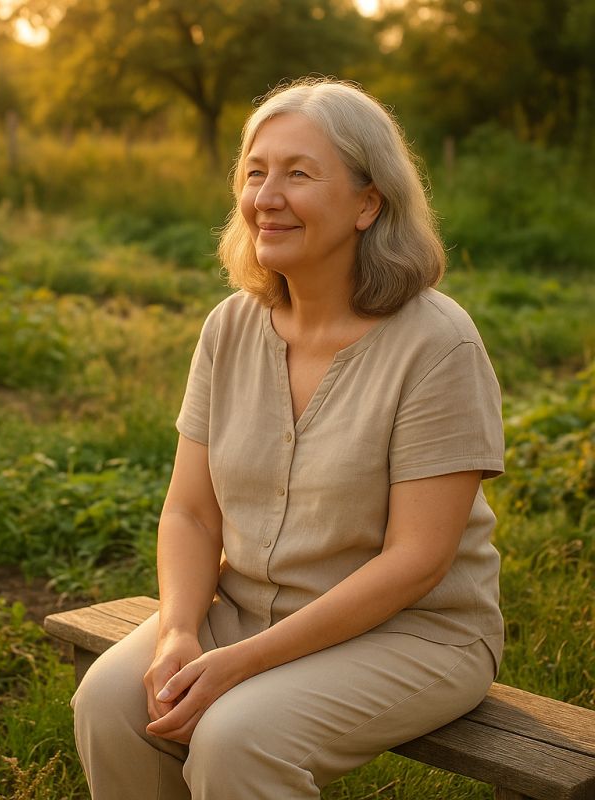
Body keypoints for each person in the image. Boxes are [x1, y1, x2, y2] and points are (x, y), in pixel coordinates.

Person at [72, 77, 504, 799]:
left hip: (415, 634)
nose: (266, 197)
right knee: (109, 702)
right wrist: (179, 630)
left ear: (368, 203)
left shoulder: (438, 345)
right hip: (245, 609)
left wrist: (241, 664)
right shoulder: (230, 327)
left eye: (299, 174)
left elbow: (416, 562)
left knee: (237, 737)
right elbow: (191, 513)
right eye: (255, 172)